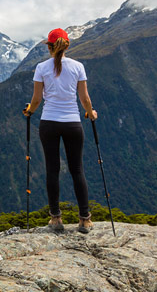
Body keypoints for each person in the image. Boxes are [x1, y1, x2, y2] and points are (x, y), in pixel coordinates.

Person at [22, 28, 97, 233]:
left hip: (49, 124)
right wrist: (90, 113)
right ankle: (85, 219)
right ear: (67, 45)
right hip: (73, 123)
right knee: (77, 170)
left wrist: (30, 111)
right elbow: (84, 99)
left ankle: (56, 219)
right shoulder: (78, 67)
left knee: (52, 171)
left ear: (49, 46)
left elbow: (37, 99)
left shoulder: (41, 68)